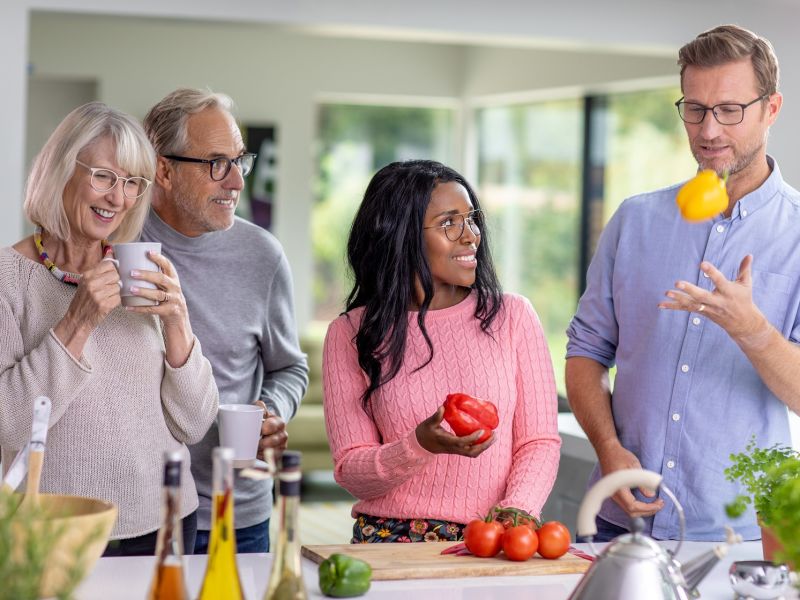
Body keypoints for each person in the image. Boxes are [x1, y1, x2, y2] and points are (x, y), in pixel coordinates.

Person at [566, 24, 800, 542]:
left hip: (743, 538)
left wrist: (754, 331)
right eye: (694, 109)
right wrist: (607, 448)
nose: (709, 130)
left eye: (729, 110)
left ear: (772, 108)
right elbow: (585, 352)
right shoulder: (634, 221)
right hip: (619, 527)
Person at [0, 102, 219, 555]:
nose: (118, 198)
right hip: (55, 530)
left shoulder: (142, 271)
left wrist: (178, 325)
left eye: (133, 184)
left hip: (166, 521)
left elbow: (194, 423)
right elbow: (7, 425)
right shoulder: (7, 278)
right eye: (103, 176)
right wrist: (77, 323)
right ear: (61, 170)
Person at [322, 160, 561, 542]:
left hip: (492, 536)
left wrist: (516, 512)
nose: (471, 236)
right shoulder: (350, 333)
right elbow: (351, 470)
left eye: (472, 219)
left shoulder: (513, 316)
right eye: (449, 223)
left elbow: (539, 441)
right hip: (388, 539)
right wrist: (419, 445)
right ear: (401, 235)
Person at [141, 88, 309, 553]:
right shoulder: (120, 247)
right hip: (140, 510)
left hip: (237, 512)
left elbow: (289, 368)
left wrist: (270, 410)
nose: (236, 182)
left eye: (240, 161)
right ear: (164, 169)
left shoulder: (262, 255)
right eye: (217, 163)